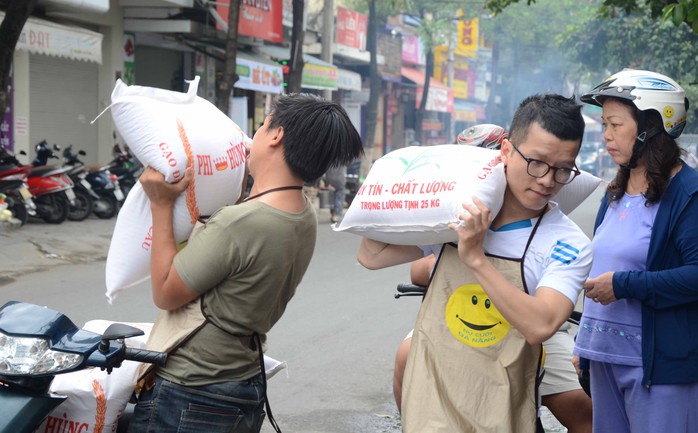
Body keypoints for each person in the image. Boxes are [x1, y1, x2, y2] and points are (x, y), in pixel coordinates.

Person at [127, 93, 364, 433]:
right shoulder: (303, 214)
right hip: (240, 383)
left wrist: (161, 205)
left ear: (276, 135)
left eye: (263, 124)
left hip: (192, 391)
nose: (254, 134)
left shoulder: (241, 223)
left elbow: (165, 292)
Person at [359, 94, 593, 433]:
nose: (547, 180)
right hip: (435, 405)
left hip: (500, 407)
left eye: (562, 169)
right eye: (538, 163)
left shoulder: (567, 242)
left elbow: (541, 325)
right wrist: (407, 192)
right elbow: (371, 254)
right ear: (507, 151)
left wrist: (475, 259)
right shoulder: (457, 214)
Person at [573, 69, 698, 433]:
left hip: (660, 369)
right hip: (603, 359)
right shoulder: (617, 189)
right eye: (604, 124)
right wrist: (585, 345)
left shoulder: (687, 193)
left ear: (651, 127)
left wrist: (625, 286)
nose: (606, 135)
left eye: (615, 124)